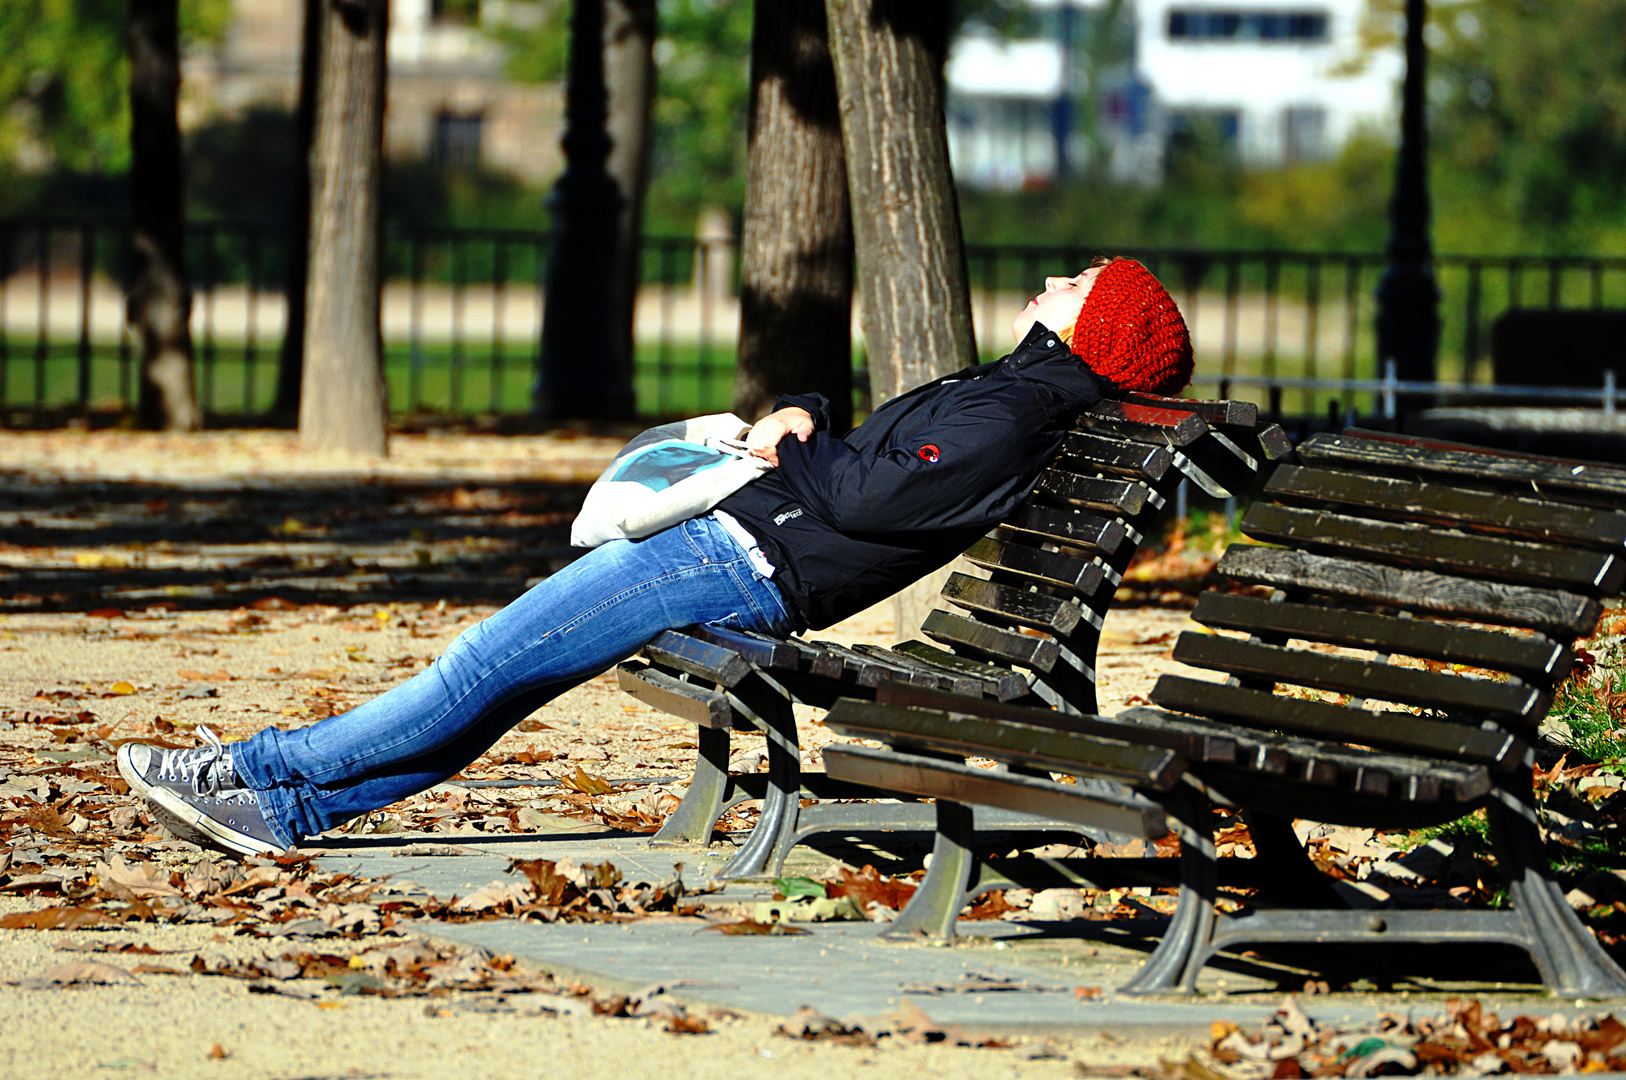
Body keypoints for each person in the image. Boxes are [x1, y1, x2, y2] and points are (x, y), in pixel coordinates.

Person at [116, 258, 1194, 856]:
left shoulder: (1017, 409)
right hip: (745, 551)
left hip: (740, 562)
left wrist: (784, 442)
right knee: (497, 679)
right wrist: (804, 412)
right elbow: (880, 463)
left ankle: (255, 776)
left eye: (1080, 278)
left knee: (480, 668)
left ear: (1094, 321)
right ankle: (288, 805)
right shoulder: (1014, 395)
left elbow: (871, 495)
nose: (1057, 278)